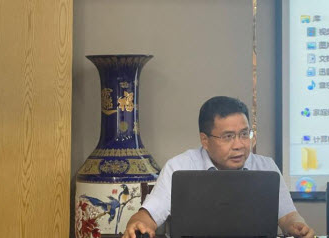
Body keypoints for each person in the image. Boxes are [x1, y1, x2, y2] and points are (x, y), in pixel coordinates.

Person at [123, 96, 315, 238]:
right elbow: (148, 215)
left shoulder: (266, 167)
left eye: (244, 134)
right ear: (205, 140)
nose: (239, 145)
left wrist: (297, 225)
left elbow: (288, 216)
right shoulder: (179, 167)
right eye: (228, 137)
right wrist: (138, 223)